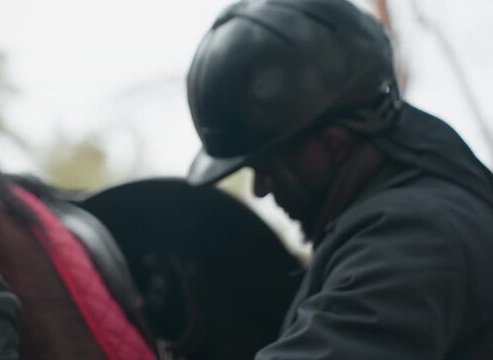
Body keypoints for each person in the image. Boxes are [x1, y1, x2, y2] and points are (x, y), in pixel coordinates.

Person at [186, 0, 493, 358]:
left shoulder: (415, 238)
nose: (260, 189)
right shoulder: (423, 208)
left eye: (267, 168)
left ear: (333, 144)